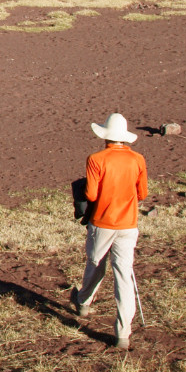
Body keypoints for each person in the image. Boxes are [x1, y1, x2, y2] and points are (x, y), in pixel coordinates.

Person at [72, 113, 148, 350]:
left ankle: (83, 302)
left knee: (95, 264)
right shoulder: (137, 159)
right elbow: (142, 193)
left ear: (105, 136)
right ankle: (123, 333)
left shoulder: (96, 159)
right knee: (124, 276)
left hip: (102, 223)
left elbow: (91, 194)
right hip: (128, 224)